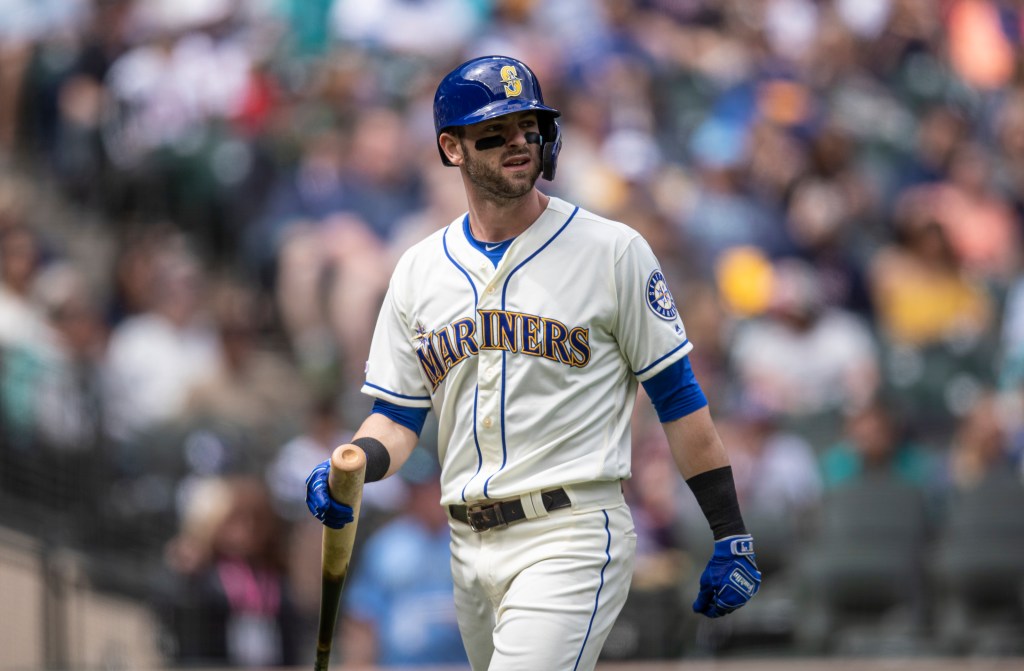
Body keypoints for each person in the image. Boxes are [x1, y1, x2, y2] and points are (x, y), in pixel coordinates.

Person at [304, 55, 760, 670]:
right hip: (465, 544)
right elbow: (397, 417)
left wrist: (729, 529)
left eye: (529, 125)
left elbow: (678, 397)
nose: (519, 141)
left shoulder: (612, 251)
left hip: (570, 531)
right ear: (453, 148)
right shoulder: (419, 269)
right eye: (495, 131)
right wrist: (350, 470)